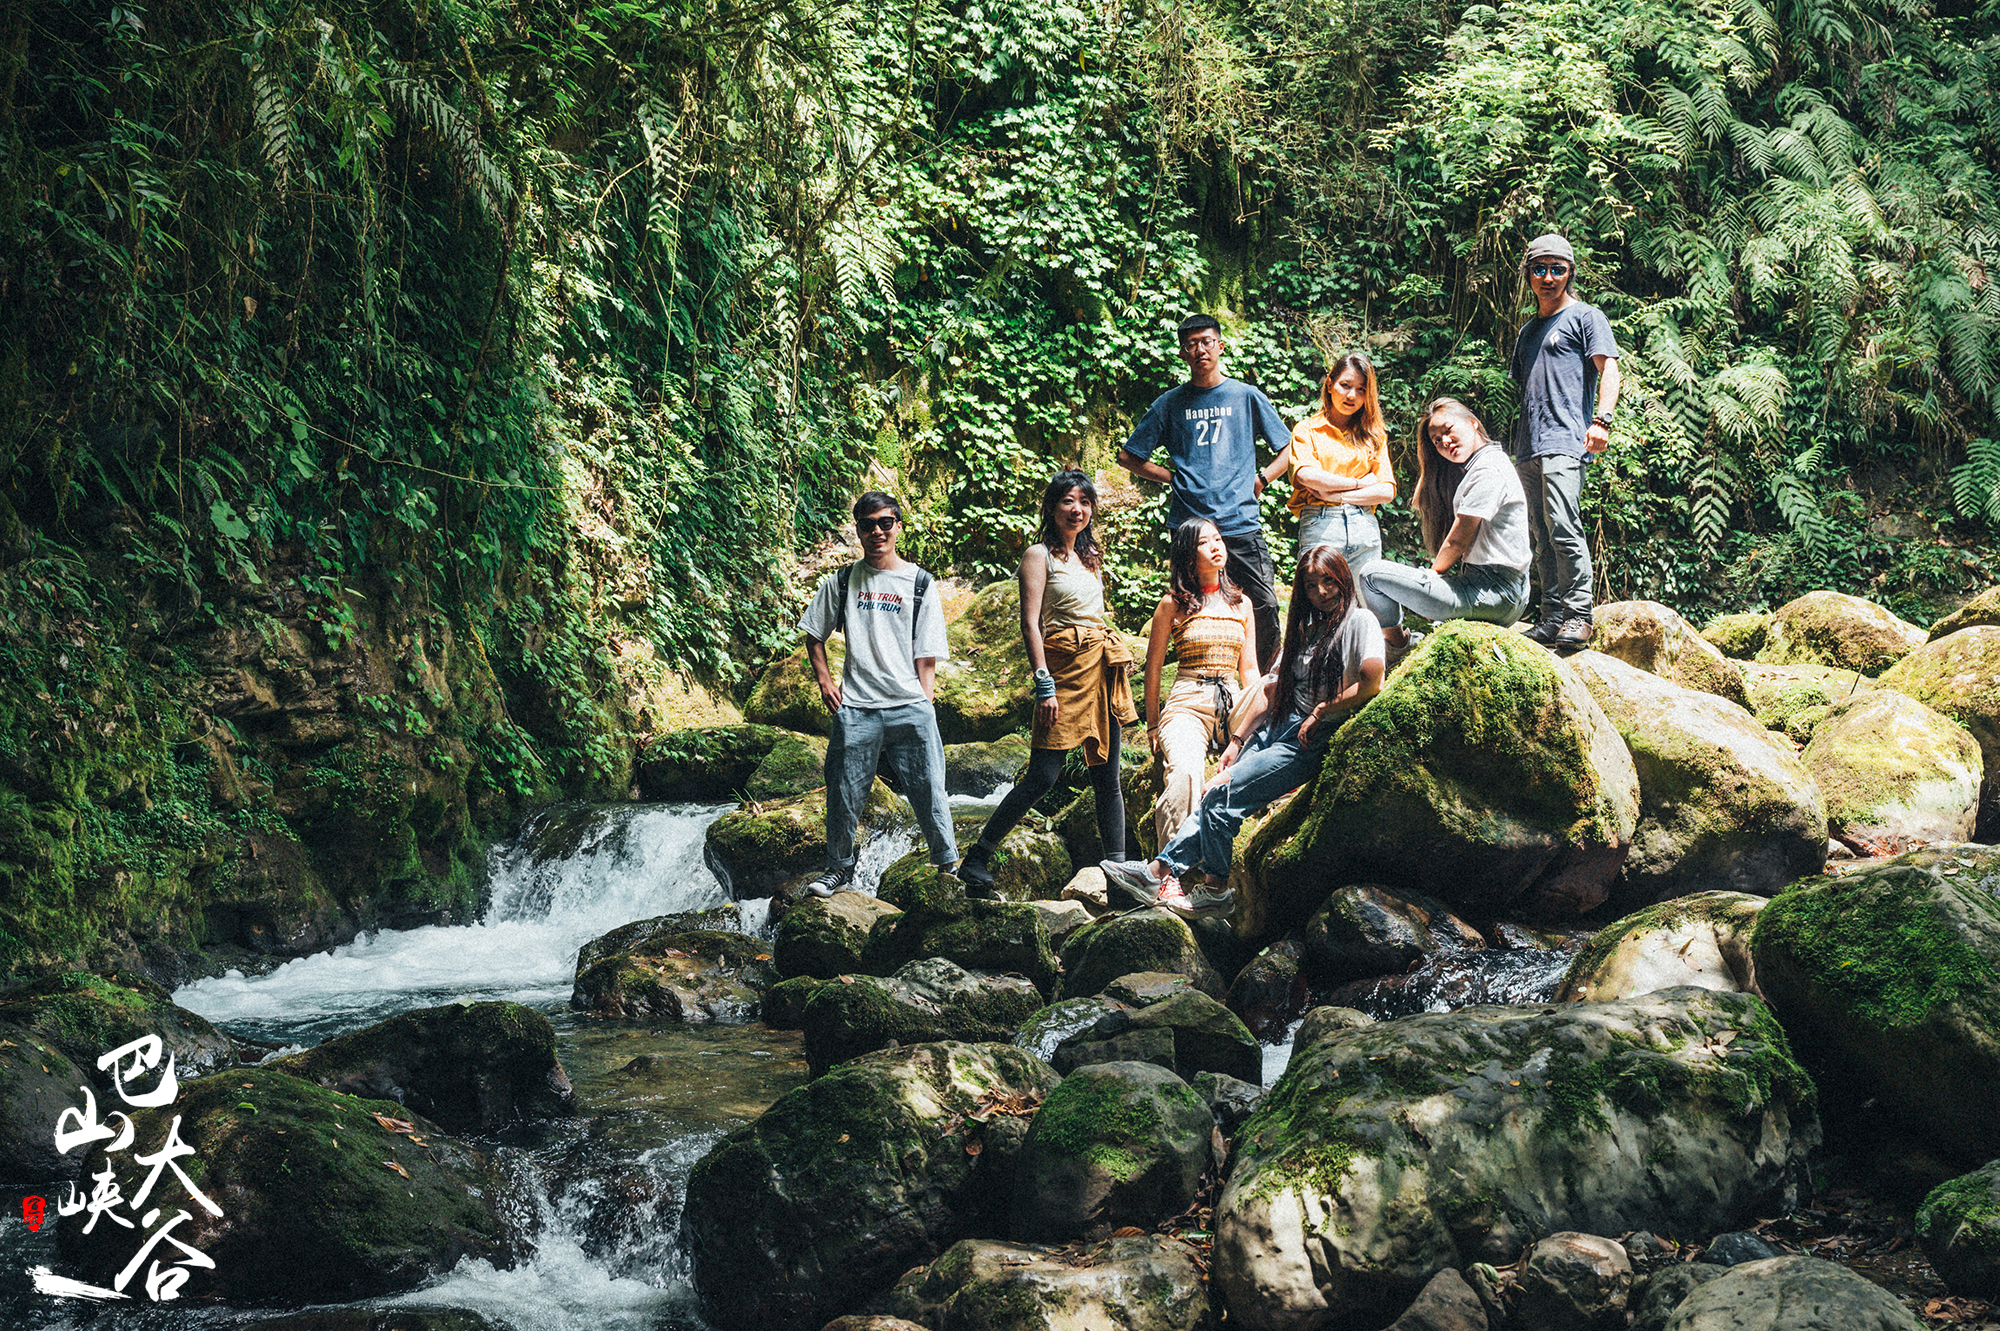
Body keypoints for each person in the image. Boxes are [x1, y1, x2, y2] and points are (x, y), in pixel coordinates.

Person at [1100, 546, 1385, 915]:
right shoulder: (1307, 628)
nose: (1322, 592)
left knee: (1223, 794)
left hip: (1308, 738)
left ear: (1343, 577)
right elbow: (1271, 690)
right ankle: (1186, 881)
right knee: (1214, 796)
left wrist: (1323, 710)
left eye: (1328, 581)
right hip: (1275, 726)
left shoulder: (1359, 621)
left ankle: (1188, 880)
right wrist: (1238, 739)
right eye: (1312, 586)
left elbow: (1372, 680)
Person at [959, 471, 1138, 897]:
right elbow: (1031, 624)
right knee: (1043, 775)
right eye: (1068, 502)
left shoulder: (1092, 557)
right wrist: (1045, 685)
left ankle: (1120, 876)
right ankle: (977, 857)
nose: (1077, 510)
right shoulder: (1038, 555)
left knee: (1107, 778)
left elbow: (1093, 615)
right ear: (1053, 507)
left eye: (1085, 502)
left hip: (1100, 669)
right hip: (1062, 671)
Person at [799, 492, 959, 897]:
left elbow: (927, 652)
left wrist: (925, 701)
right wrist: (825, 682)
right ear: (858, 530)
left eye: (885, 522)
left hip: (909, 705)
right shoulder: (842, 580)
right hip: (857, 707)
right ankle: (838, 869)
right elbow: (813, 632)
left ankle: (946, 864)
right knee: (844, 791)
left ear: (897, 526)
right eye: (868, 524)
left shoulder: (920, 582)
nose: (877, 531)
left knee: (929, 788)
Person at [1118, 314, 1293, 671]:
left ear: (1220, 346)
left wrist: (1261, 479)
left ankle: (1264, 686)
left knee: (1263, 603)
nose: (1200, 350)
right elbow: (1129, 457)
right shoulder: (1169, 403)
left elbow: (1289, 449)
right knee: (1190, 604)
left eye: (1207, 342)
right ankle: (1203, 678)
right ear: (1183, 352)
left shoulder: (1245, 396)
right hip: (1190, 525)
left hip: (1240, 519)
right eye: (1192, 344)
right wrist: (1172, 477)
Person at [1510, 233, 1622, 651]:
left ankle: (1579, 616)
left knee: (1563, 526)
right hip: (1528, 445)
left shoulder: (1586, 317)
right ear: (1529, 275)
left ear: (1570, 272)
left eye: (1558, 269)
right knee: (1539, 531)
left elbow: (1608, 369)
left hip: (1565, 439)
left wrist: (1602, 420)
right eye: (1540, 269)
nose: (1549, 277)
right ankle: (1552, 616)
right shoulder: (1527, 333)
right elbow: (1524, 390)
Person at [1359, 398, 1532, 648]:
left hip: (1493, 591)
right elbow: (1426, 505)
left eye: (1448, 430)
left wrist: (1433, 576)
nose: (1444, 442)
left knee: (1370, 574)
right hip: (1499, 592)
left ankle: (1397, 646)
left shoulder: (1488, 468)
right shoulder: (1481, 465)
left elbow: (1458, 537)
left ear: (1473, 423)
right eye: (1436, 440)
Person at [1141, 517, 1261, 850]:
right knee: (1186, 773)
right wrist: (1153, 725)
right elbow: (1153, 669)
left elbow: (1248, 668)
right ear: (1188, 556)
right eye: (1204, 542)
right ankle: (1172, 868)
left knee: (1270, 694)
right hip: (1187, 703)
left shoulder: (1242, 604)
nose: (1216, 546)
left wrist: (1261, 710)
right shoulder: (1172, 605)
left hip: (1231, 699)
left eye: (1218, 540)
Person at [1288, 352, 1396, 580]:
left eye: (1361, 389)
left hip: (1364, 524)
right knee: (1319, 601)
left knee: (1366, 604)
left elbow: (1386, 491)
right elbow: (1307, 475)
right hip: (1321, 522)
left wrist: (1337, 496)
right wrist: (1360, 483)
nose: (1351, 395)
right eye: (1345, 385)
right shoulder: (1307, 430)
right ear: (1329, 384)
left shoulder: (1373, 435)